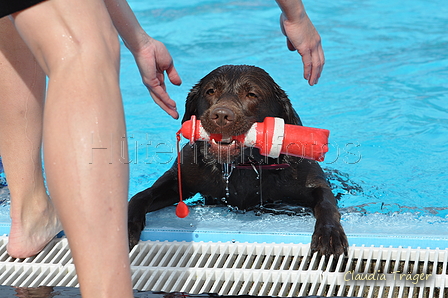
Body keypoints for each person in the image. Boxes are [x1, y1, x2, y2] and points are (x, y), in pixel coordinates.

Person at [0, 0, 323, 297]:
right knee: (82, 52)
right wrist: (295, 13)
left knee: (13, 30)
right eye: (211, 95)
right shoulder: (197, 155)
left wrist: (138, 40)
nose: (222, 112)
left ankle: (29, 210)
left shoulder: (290, 159)